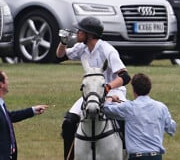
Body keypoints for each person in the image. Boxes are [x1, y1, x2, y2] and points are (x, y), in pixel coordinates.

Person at [56, 16, 131, 160]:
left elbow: (125, 77)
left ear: (89, 34)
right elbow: (60, 56)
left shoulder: (108, 50)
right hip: (91, 92)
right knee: (69, 121)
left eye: (80, 31)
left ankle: (126, 153)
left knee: (125, 118)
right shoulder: (82, 47)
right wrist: (63, 42)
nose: (77, 33)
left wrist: (108, 87)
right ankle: (69, 157)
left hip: (113, 91)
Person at [0, 70, 48, 160]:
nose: (8, 82)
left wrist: (32, 110)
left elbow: (8, 117)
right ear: (1, 84)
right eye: (6, 80)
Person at [104, 73, 176, 160]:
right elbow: (171, 129)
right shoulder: (161, 107)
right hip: (156, 156)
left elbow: (106, 109)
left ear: (134, 89)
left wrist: (110, 98)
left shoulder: (129, 108)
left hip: (137, 157)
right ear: (149, 89)